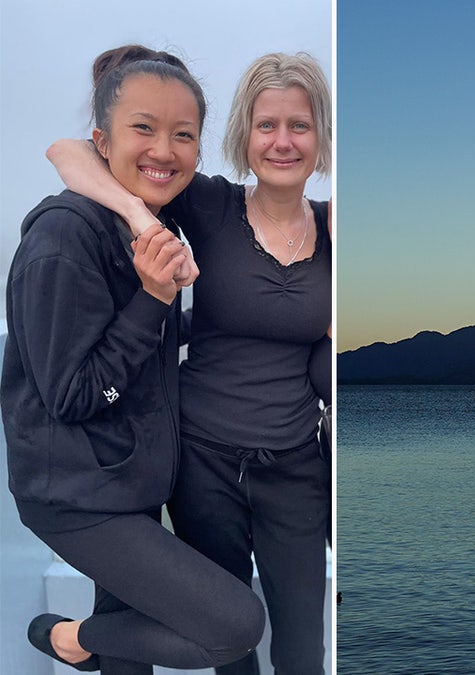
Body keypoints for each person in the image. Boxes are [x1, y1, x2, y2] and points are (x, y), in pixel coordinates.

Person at [50, 51, 333, 675]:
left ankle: (80, 641)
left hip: (295, 467)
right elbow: (67, 153)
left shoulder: (337, 227)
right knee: (232, 644)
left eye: (300, 126)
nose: (282, 142)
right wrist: (136, 215)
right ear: (243, 136)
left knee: (303, 648)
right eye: (266, 125)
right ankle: (78, 639)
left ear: (321, 138)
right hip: (201, 461)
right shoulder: (209, 206)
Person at [3, 45, 265, 673]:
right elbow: (73, 396)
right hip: (77, 494)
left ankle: (95, 642)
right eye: (142, 128)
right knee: (235, 627)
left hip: (129, 474)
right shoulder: (64, 240)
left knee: (133, 641)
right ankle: (70, 641)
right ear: (102, 140)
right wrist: (153, 299)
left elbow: (138, 347)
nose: (163, 150)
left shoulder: (145, 224)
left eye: (183, 135)